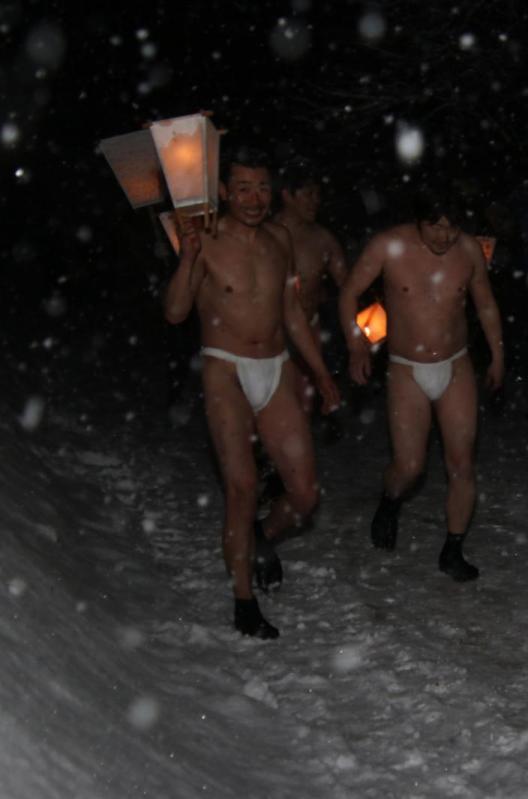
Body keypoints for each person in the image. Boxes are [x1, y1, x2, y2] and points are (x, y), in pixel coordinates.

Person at [163, 145, 340, 640]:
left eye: (262, 187)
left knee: (304, 493)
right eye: (242, 187)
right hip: (226, 369)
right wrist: (189, 257)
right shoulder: (206, 238)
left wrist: (322, 373)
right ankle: (244, 600)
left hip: (277, 367)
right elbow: (176, 312)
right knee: (242, 487)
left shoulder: (280, 238)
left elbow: (291, 313)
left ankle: (262, 535)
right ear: (223, 191)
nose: (254, 197)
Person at [339, 182, 504, 582]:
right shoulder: (388, 245)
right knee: (410, 466)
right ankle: (390, 501)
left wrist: (499, 354)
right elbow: (348, 294)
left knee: (461, 463)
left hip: (456, 363)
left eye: (452, 227)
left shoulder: (467, 250)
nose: (445, 236)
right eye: (436, 227)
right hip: (406, 368)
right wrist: (356, 345)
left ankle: (453, 547)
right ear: (419, 221)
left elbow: (485, 304)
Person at [272, 160, 349, 427]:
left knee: (302, 409)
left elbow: (348, 288)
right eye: (308, 194)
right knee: (271, 408)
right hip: (271, 334)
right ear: (287, 196)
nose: (315, 201)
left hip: (309, 329)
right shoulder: (263, 236)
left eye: (318, 194)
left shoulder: (324, 240)